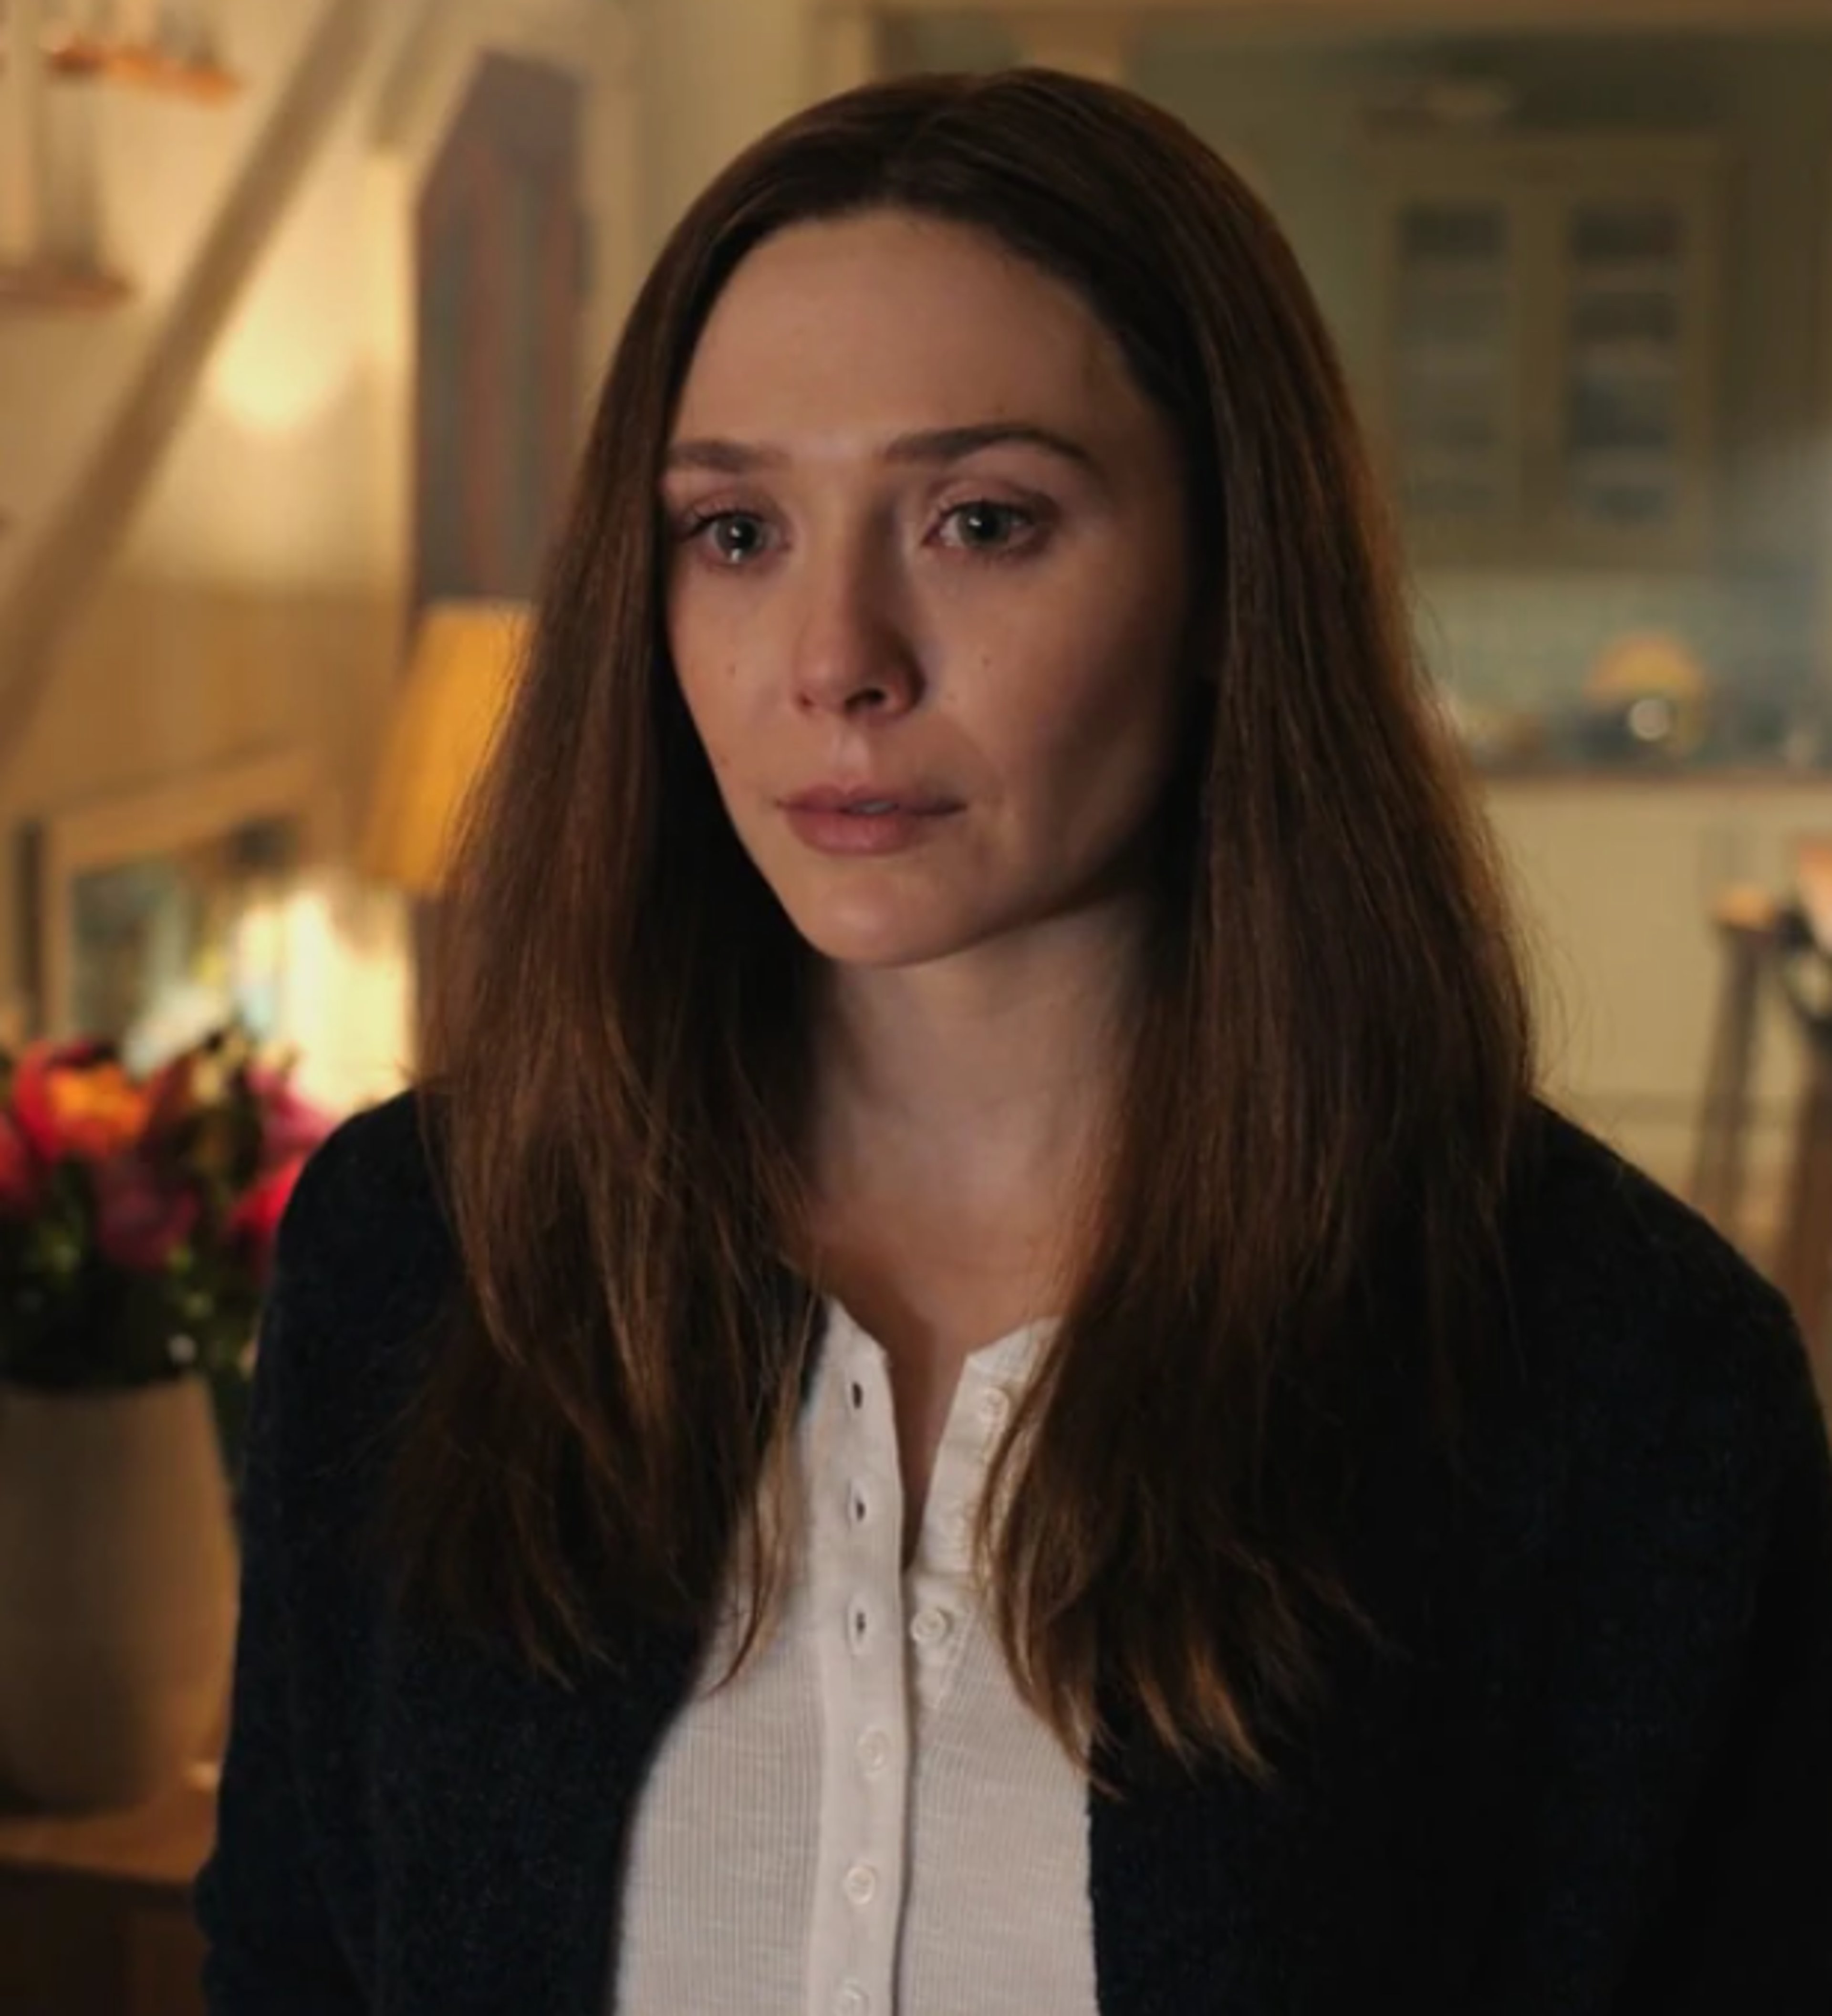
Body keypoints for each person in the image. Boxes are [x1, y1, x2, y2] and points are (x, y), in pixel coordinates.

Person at [195, 67, 1832, 2015]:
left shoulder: (1625, 1381)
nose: (836, 659)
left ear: (1236, 576)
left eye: (981, 519)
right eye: (734, 531)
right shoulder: (419, 1254)